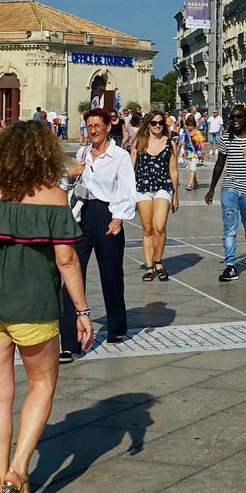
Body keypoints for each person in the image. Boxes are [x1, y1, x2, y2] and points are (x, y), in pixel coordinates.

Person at [0, 121, 93, 493]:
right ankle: (17, 472)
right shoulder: (53, 198)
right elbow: (66, 260)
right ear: (45, 154)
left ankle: (1, 487)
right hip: (34, 307)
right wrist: (82, 311)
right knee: (42, 386)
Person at [57, 108, 135, 361]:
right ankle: (69, 343)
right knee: (71, 274)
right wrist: (69, 175)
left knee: (111, 273)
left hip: (107, 214)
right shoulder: (82, 153)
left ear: (107, 127)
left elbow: (127, 189)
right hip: (82, 214)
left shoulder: (120, 156)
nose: (93, 130)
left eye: (97, 125)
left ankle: (116, 326)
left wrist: (119, 216)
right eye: (89, 126)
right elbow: (68, 186)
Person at [204, 107, 246, 281]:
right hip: (229, 188)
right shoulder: (226, 138)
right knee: (230, 228)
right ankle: (230, 266)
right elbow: (219, 164)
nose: (235, 120)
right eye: (232, 118)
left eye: (238, 117)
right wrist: (211, 189)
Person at [132, 111, 178, 283]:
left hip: (163, 186)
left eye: (160, 123)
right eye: (154, 123)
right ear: (148, 125)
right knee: (147, 228)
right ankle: (149, 266)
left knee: (159, 226)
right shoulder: (139, 142)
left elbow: (173, 171)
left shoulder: (170, 143)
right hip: (142, 187)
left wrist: (175, 195)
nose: (158, 126)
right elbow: (130, 169)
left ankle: (159, 262)